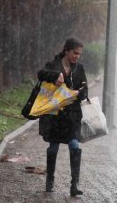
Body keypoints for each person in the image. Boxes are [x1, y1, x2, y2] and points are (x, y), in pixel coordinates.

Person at [37, 37, 88, 197]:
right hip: (54, 115)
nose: (77, 56)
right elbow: (41, 74)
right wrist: (55, 75)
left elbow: (85, 90)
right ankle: (49, 181)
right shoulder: (53, 64)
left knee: (75, 144)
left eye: (79, 54)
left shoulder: (79, 69)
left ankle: (74, 184)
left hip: (72, 116)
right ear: (67, 51)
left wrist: (79, 93)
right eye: (75, 53)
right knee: (53, 146)